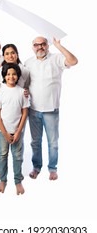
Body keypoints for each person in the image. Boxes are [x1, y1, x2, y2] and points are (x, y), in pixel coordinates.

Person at [24, 36, 78, 180]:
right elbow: (24, 82)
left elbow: (74, 61)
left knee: (53, 143)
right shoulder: (28, 62)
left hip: (51, 110)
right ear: (32, 47)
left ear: (47, 46)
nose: (40, 47)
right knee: (35, 142)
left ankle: (52, 169)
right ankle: (36, 167)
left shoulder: (57, 58)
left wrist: (58, 45)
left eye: (43, 44)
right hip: (33, 109)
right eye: (36, 45)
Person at [0, 63, 29, 195]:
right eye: (8, 74)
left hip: (18, 131)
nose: (11, 76)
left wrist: (18, 132)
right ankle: (3, 180)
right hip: (3, 131)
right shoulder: (0, 92)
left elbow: (24, 113)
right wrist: (5, 133)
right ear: (4, 75)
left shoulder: (21, 92)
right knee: (3, 155)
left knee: (18, 156)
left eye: (14, 74)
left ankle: (18, 180)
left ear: (18, 75)